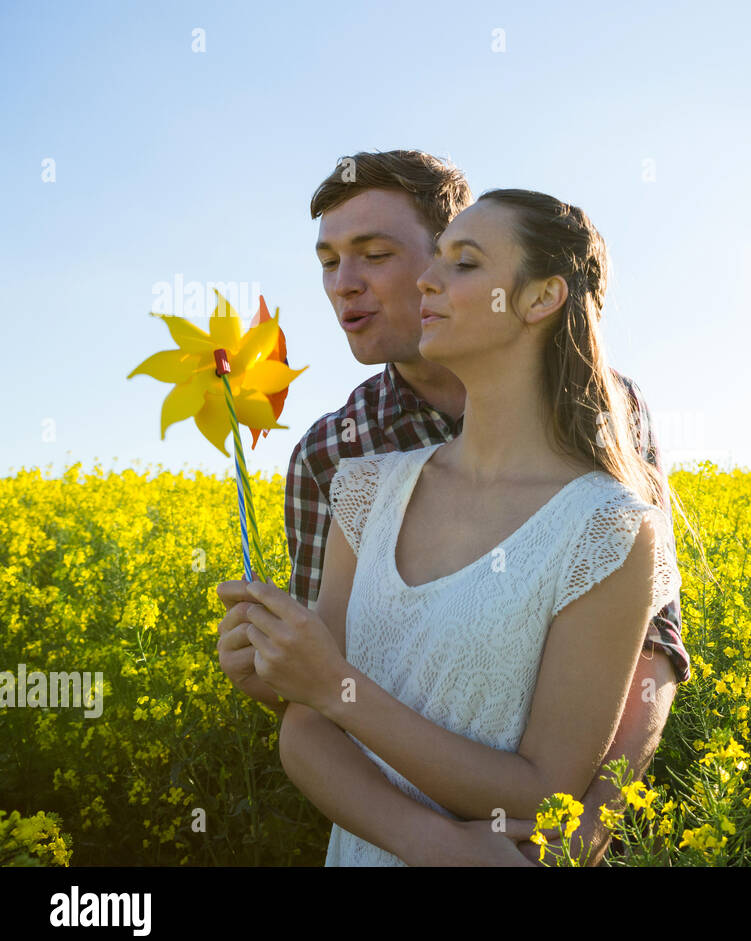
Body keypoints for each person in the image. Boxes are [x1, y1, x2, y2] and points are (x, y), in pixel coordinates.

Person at [216, 151, 689, 866]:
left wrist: (586, 828)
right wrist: (277, 671)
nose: (346, 284)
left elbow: (649, 653)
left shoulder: (607, 427)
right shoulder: (341, 464)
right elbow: (323, 694)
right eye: (328, 262)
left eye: (377, 254)